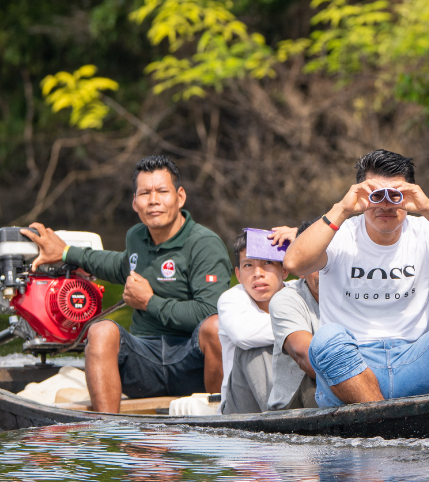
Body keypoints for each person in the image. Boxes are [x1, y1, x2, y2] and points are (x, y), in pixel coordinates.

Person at [282, 149, 429, 406]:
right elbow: (293, 263)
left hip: (413, 360)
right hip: (353, 367)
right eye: (376, 194)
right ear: (360, 193)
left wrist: (427, 207)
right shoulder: (342, 233)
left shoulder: (423, 230)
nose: (385, 203)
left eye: (396, 194)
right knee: (326, 339)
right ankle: (381, 420)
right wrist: (343, 208)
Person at [23, 155, 232, 412]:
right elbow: (119, 265)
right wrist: (66, 253)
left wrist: (150, 302)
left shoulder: (205, 244)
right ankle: (108, 430)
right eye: (145, 193)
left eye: (162, 191)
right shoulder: (136, 236)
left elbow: (209, 313)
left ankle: (219, 418)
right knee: (100, 330)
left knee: (216, 326)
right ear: (135, 202)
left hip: (192, 365)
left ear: (180, 197)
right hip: (143, 363)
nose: (153, 200)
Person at [217, 227, 301, 414]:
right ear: (238, 275)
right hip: (240, 408)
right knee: (253, 347)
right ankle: (280, 419)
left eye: (267, 263)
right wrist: (303, 329)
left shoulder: (298, 292)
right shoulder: (231, 299)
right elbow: (244, 334)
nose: (258, 273)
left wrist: (302, 236)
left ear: (285, 269)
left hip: (295, 394)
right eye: (248, 265)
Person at [266, 219, 321, 410]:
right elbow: (308, 359)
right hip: (293, 407)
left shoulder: (359, 294)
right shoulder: (286, 299)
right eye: (318, 260)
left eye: (332, 258)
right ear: (301, 270)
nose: (326, 269)